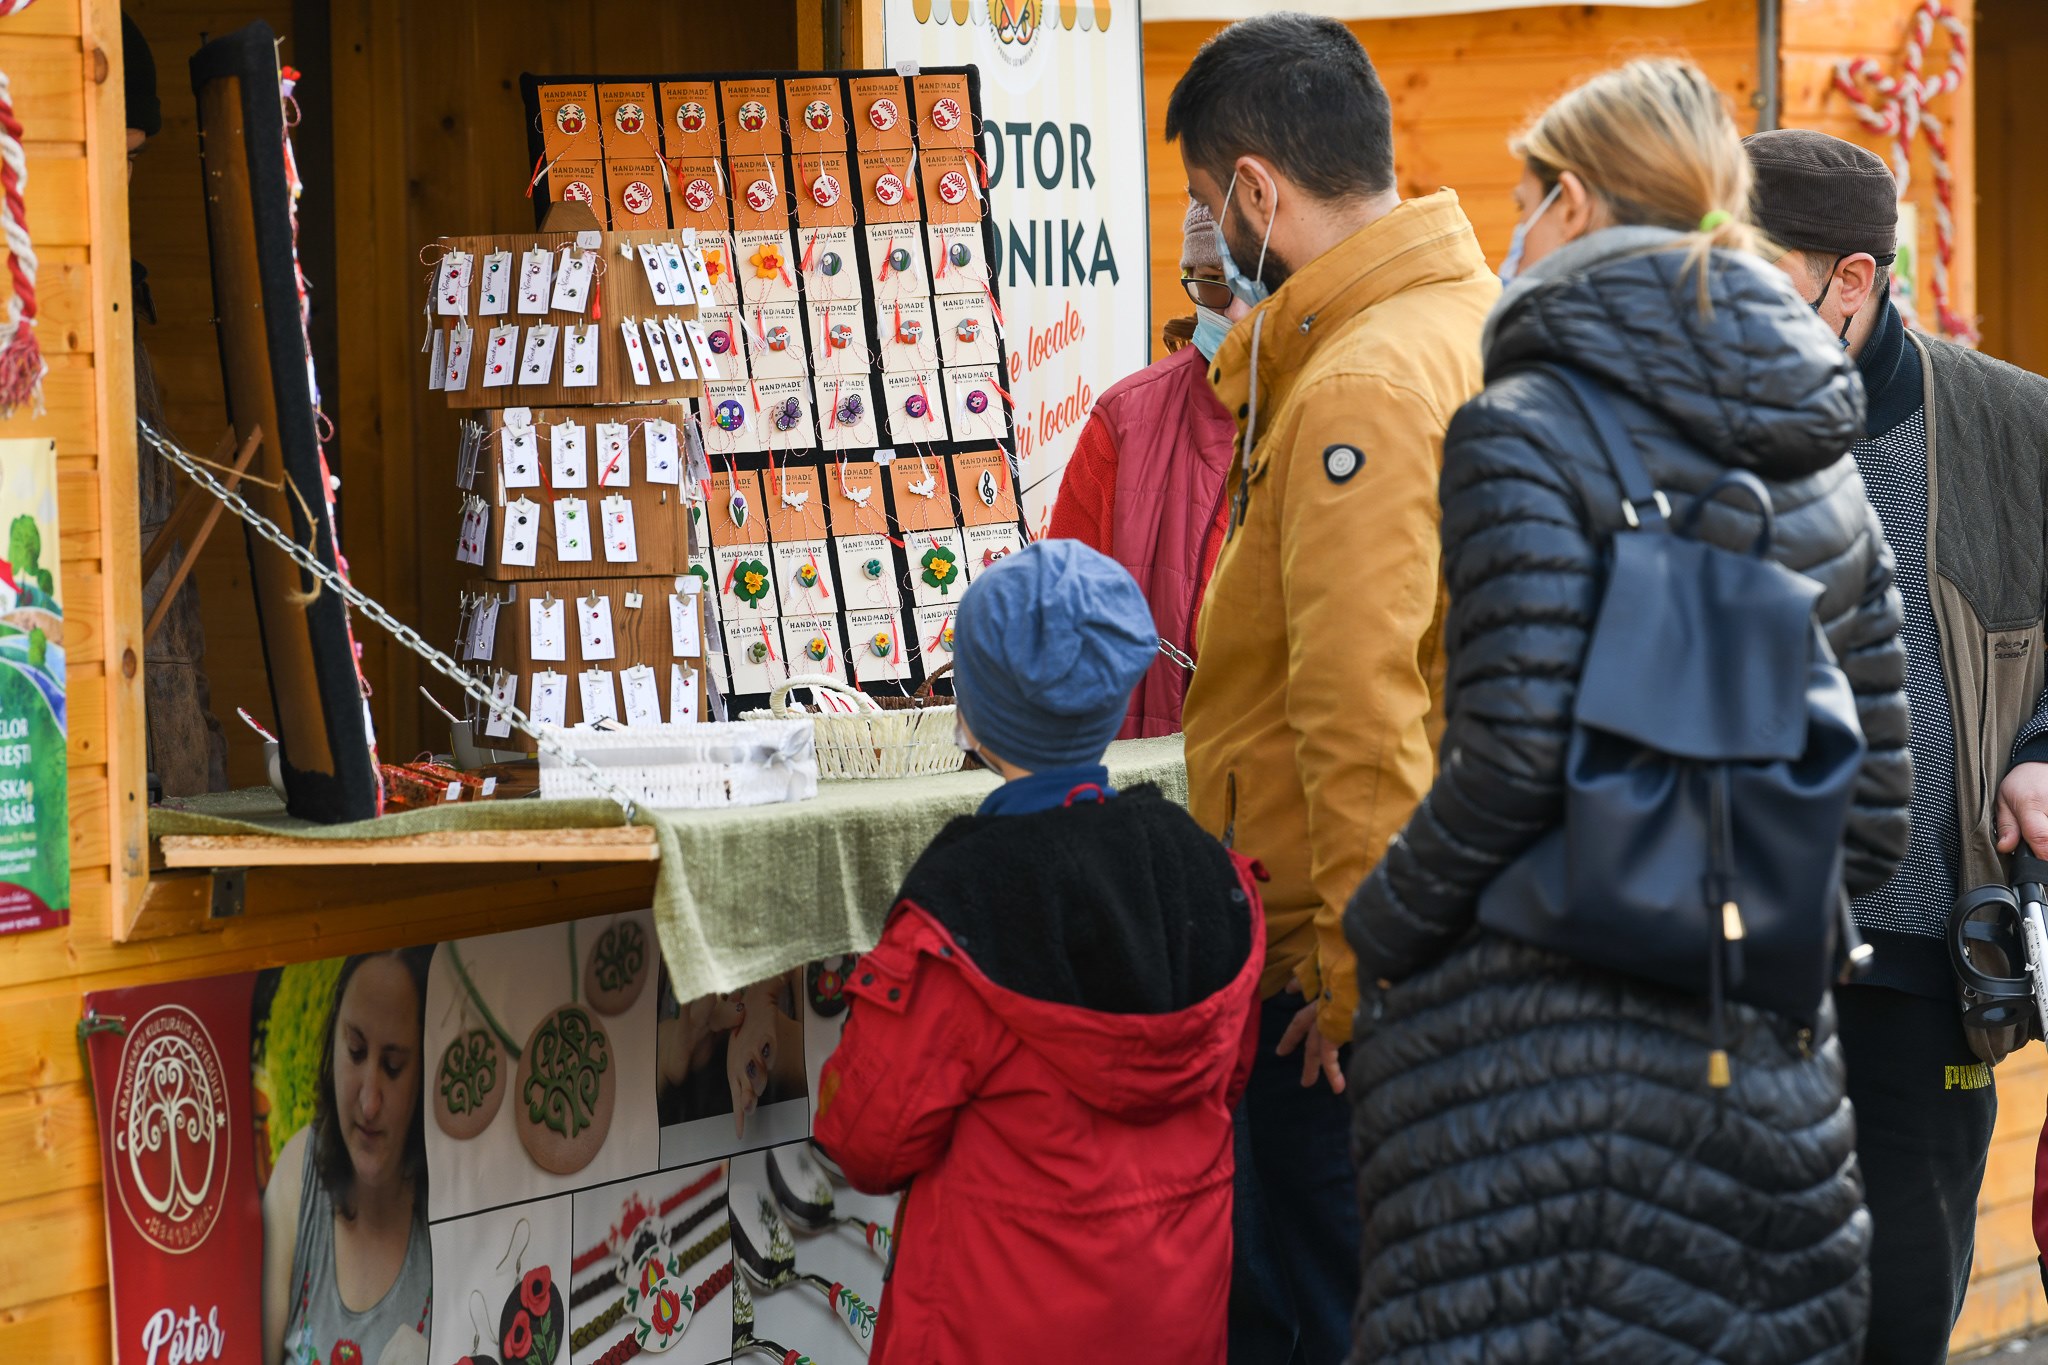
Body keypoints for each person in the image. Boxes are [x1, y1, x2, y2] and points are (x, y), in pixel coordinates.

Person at [1342, 59, 1913, 1362]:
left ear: (1578, 204)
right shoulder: (1823, 456)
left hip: (1529, 1077)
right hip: (1766, 1071)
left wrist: (1383, 928)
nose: (1516, 226)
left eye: (1526, 194)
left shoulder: (1522, 429)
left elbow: (1514, 758)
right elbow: (1876, 814)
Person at [1162, 14, 1498, 1357]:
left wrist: (1365, 986)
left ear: (1257, 191)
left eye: (1200, 199)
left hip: (1344, 993)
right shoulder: (1470, 325)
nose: (1202, 231)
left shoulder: (1360, 384)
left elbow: (1362, 714)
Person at [1746, 127, 2048, 1363]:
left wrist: (2041, 744)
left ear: (1850, 283)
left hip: (1919, 963)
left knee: (1900, 1306)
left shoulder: (2011, 426)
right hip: (1733, 965)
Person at [813, 539, 1265, 1365]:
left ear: (972, 712)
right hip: (1177, 1321)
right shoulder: (1205, 873)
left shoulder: (962, 912)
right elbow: (1228, 1074)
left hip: (991, 1325)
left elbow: (864, 1139)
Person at [1046, 200, 1247, 737]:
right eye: (1209, 284)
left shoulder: (1349, 409)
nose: (1232, 313)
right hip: (1143, 787)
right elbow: (1064, 628)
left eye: (1250, 283)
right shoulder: (1127, 419)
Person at [125, 9, 229, 797]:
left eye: (137, 156)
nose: (124, 177)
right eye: (113, 152)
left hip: (167, 719)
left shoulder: (124, 296)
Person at [263, 950, 434, 1365]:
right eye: (355, 1052)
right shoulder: (298, 1173)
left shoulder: (454, 1199)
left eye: (393, 1067)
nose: (369, 1103)